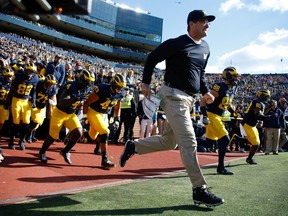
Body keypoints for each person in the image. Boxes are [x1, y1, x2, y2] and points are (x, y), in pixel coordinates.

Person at [119, 10, 224, 207]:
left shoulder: (206, 48)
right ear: (191, 23)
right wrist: (146, 83)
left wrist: (207, 92)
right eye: (203, 21)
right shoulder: (177, 42)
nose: (208, 24)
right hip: (173, 96)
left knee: (170, 142)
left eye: (208, 22)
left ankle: (134, 146)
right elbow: (152, 58)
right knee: (189, 141)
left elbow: (200, 75)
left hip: (189, 100)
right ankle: (199, 189)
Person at [38, 70, 95, 164]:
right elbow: (62, 102)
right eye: (87, 82)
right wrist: (76, 99)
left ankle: (65, 151)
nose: (88, 85)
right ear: (81, 79)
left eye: (90, 82)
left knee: (78, 132)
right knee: (53, 137)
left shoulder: (87, 89)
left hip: (70, 114)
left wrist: (80, 104)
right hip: (59, 112)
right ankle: (42, 152)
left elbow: (80, 103)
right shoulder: (71, 85)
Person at [200, 66, 242, 175]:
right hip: (212, 115)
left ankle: (183, 140)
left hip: (217, 116)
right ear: (228, 77)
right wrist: (204, 115)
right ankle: (221, 167)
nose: (236, 79)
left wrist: (234, 113)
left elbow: (226, 104)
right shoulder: (219, 87)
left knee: (209, 143)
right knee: (225, 139)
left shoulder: (230, 89)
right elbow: (203, 100)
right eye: (234, 77)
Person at [83, 74, 126, 169]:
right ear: (113, 85)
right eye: (118, 87)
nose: (120, 89)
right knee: (105, 132)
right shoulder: (102, 89)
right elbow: (87, 102)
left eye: (121, 87)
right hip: (94, 112)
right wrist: (85, 117)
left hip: (104, 114)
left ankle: (85, 136)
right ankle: (104, 159)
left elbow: (117, 106)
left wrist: (116, 119)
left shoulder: (121, 93)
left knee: (93, 136)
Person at [4, 63, 39, 150]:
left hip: (26, 102)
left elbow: (34, 91)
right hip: (16, 100)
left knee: (26, 123)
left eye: (32, 71)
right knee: (16, 122)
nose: (29, 73)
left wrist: (34, 100)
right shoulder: (19, 76)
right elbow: (12, 89)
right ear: (25, 70)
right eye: (28, 71)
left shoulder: (35, 79)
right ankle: (11, 141)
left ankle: (21, 141)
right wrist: (7, 101)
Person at [241, 89, 275, 164]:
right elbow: (257, 115)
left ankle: (249, 157)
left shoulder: (259, 103)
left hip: (252, 125)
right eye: (266, 96)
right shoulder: (257, 103)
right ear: (262, 95)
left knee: (256, 143)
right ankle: (249, 158)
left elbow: (262, 113)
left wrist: (269, 107)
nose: (267, 98)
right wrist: (269, 117)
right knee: (256, 144)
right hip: (248, 124)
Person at [25, 74, 58, 143]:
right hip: (34, 104)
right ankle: (28, 134)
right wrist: (31, 99)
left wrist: (53, 103)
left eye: (52, 84)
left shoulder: (53, 88)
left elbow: (54, 97)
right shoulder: (39, 84)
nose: (51, 85)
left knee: (40, 121)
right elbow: (31, 92)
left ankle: (32, 134)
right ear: (46, 82)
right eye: (50, 83)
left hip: (42, 106)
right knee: (36, 120)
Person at [0, 67, 14, 161]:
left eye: (10, 76)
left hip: (5, 107)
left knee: (1, 124)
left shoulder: (12, 85)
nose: (9, 78)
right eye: (7, 76)